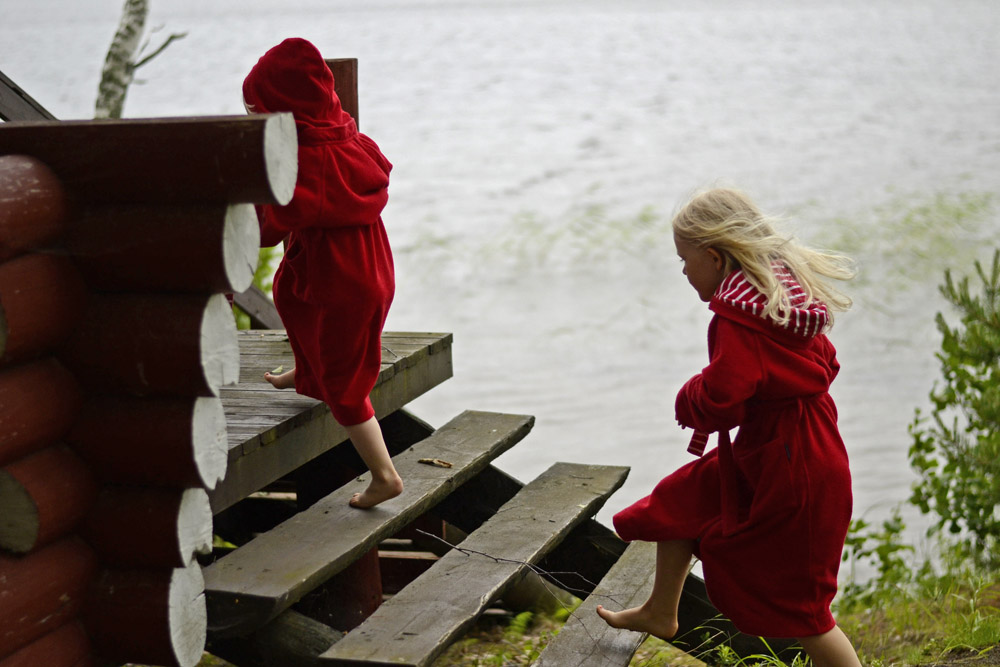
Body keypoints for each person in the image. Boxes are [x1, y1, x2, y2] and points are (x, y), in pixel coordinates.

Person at [596, 188, 862, 667]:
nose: (681, 271)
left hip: (791, 465)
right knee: (684, 499)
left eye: (684, 260)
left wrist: (689, 398)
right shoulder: (785, 306)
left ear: (715, 258)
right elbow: (824, 366)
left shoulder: (739, 319)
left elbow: (724, 398)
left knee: (806, 610)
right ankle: (661, 610)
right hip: (795, 446)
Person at [242, 37, 403, 509]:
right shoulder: (348, 136)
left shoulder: (308, 164)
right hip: (361, 265)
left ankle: (385, 474)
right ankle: (307, 370)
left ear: (285, 115)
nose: (253, 119)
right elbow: (379, 169)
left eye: (257, 111)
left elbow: (268, 224)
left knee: (346, 385)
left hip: (345, 285)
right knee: (291, 296)